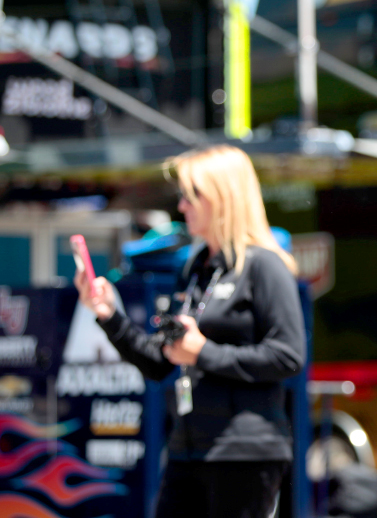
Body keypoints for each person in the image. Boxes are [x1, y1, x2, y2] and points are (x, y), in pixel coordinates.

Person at [75, 145, 306, 518]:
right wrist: (108, 315)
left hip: (243, 451)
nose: (181, 206)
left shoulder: (265, 266)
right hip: (187, 446)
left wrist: (203, 352)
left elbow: (289, 355)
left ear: (222, 198)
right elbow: (160, 362)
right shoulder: (195, 268)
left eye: (190, 196)